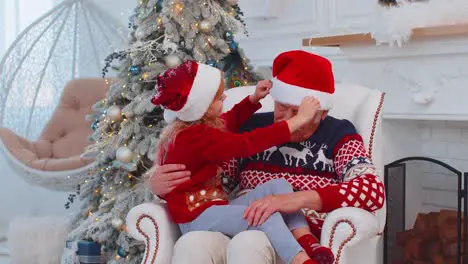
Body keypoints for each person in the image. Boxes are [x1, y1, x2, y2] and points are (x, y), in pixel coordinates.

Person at [150, 50, 386, 264]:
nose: (287, 119)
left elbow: (372, 191)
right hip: (235, 223)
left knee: (251, 240)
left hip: (282, 236)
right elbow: (212, 173)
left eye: (298, 113)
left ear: (321, 113)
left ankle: (304, 250)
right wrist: (160, 184)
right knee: (191, 243)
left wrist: (297, 199)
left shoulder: (338, 133)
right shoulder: (251, 127)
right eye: (282, 106)